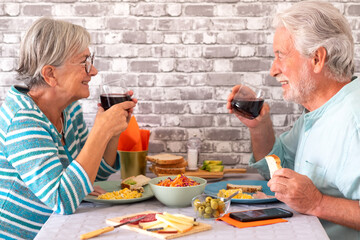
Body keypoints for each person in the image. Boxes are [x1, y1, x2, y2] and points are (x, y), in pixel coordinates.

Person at [227, 1, 359, 239]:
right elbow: (276, 172)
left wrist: (317, 203)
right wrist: (260, 126)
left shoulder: (354, 120)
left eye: (281, 56)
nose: (273, 70)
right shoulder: (319, 111)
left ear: (317, 59)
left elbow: (310, 200)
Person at [0, 18, 136, 239]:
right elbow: (63, 200)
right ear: (50, 74)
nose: (93, 71)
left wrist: (112, 131)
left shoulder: (69, 110)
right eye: (84, 62)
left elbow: (93, 174)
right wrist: (100, 131)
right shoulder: (23, 120)